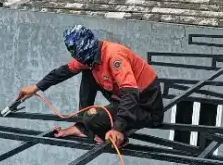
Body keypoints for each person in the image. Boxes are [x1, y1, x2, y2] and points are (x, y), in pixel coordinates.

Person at [16, 25, 164, 147]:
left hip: (146, 107)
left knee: (92, 118)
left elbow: (130, 93)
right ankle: (81, 126)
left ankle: (117, 138)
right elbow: (63, 72)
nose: (83, 62)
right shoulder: (91, 57)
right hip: (122, 99)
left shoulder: (114, 56)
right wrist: (36, 87)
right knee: (88, 72)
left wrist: (118, 128)